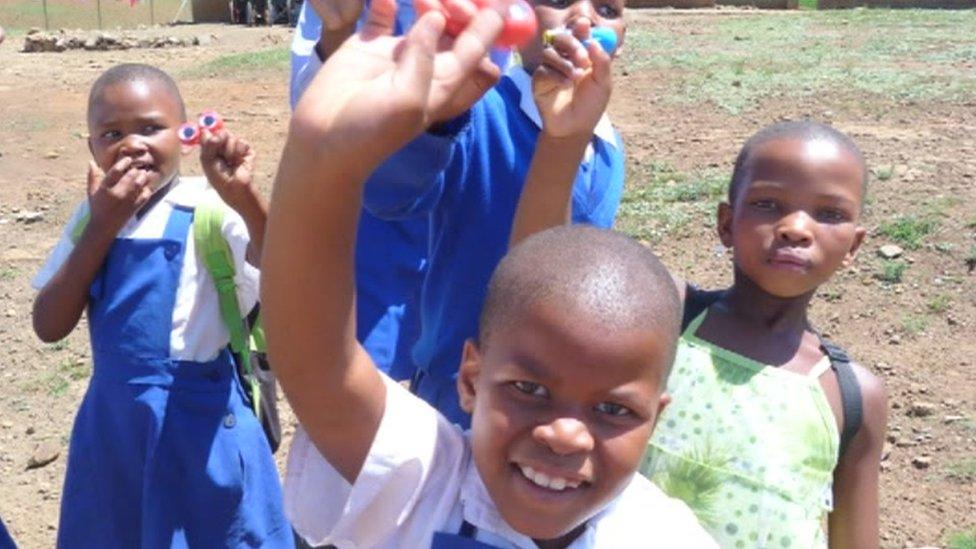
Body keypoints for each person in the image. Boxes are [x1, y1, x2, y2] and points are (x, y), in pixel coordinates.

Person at [263, 1, 715, 546]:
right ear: (473, 378)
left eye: (613, 409)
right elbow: (315, 360)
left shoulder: (663, 536)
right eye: (533, 390)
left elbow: (545, 287)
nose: (565, 436)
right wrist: (321, 156)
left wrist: (564, 140)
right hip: (443, 384)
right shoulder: (431, 485)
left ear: (656, 417)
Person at [510, 118, 889, 548]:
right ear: (727, 223)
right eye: (768, 204)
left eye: (829, 214)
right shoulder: (664, 316)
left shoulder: (852, 395)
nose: (796, 229)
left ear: (853, 247)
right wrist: (565, 138)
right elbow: (544, 280)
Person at [295, 0, 629, 426]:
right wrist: (437, 122)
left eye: (607, 8)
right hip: (460, 391)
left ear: (620, 43)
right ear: (515, 20)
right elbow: (389, 193)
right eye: (560, 2)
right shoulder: (477, 108)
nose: (584, 19)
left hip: (558, 396)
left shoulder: (608, 147)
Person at [31, 64, 293, 547]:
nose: (131, 144)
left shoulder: (209, 210)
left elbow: (288, 279)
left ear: (185, 135)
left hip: (201, 423)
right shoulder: (93, 217)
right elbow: (48, 325)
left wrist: (246, 197)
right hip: (116, 429)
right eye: (112, 134)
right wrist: (103, 227)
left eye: (150, 128)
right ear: (92, 148)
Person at [290, 0, 427, 381]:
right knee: (370, 379)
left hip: (456, 202)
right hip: (371, 213)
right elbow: (312, 108)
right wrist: (339, 29)